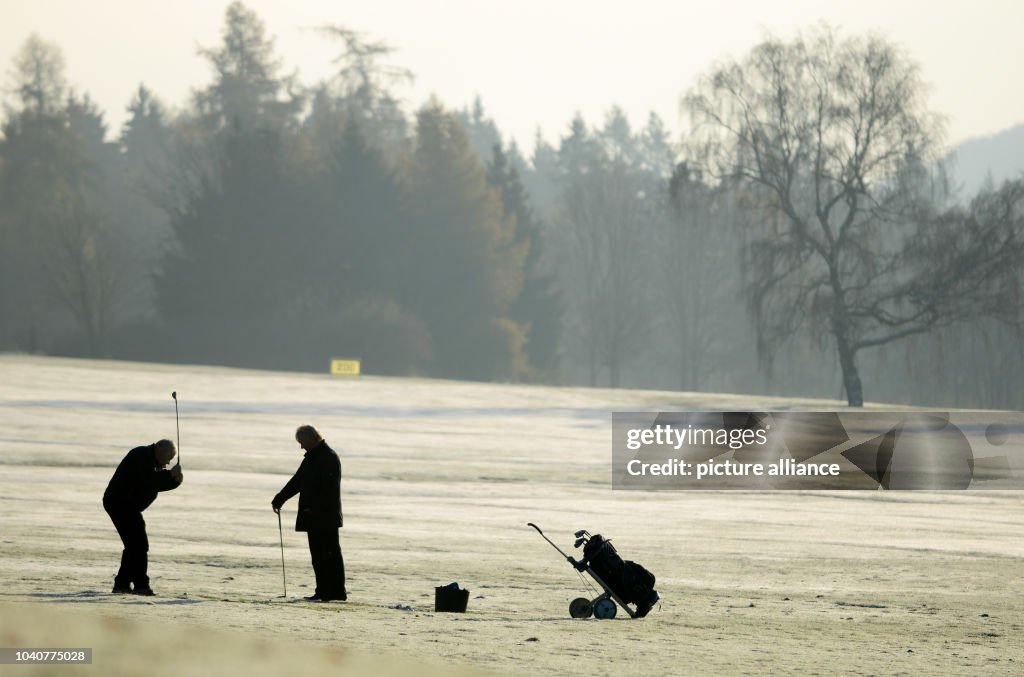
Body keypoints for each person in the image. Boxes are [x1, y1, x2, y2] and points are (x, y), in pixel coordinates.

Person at [272, 425, 346, 601]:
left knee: (330, 555)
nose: (301, 447)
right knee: (318, 556)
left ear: (312, 439)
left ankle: (336, 592)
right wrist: (280, 498)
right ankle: (322, 591)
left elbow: (329, 490)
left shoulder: (328, 457)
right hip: (313, 515)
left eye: (302, 442)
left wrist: (314, 509)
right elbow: (298, 481)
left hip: (325, 516)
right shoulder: (312, 457)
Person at [102, 439, 183, 596]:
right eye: (168, 458)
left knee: (134, 545)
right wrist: (170, 474)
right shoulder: (140, 455)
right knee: (138, 545)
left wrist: (175, 480)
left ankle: (122, 584)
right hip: (120, 503)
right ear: (160, 451)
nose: (168, 463)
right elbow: (150, 480)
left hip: (128, 506)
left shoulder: (151, 460)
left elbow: (157, 483)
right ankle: (140, 585)